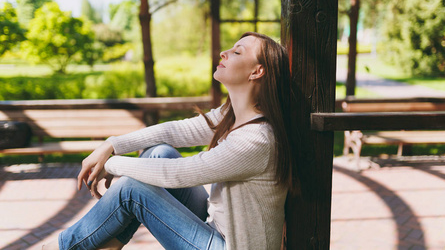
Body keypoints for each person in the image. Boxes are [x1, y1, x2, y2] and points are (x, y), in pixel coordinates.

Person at [42, 32, 298, 250]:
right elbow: (175, 131)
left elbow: (180, 174)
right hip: (215, 229)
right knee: (159, 152)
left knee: (132, 189)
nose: (224, 53)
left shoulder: (256, 139)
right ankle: (113, 241)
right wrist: (112, 144)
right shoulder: (231, 116)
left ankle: (62, 247)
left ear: (257, 71)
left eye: (237, 52)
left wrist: (112, 164)